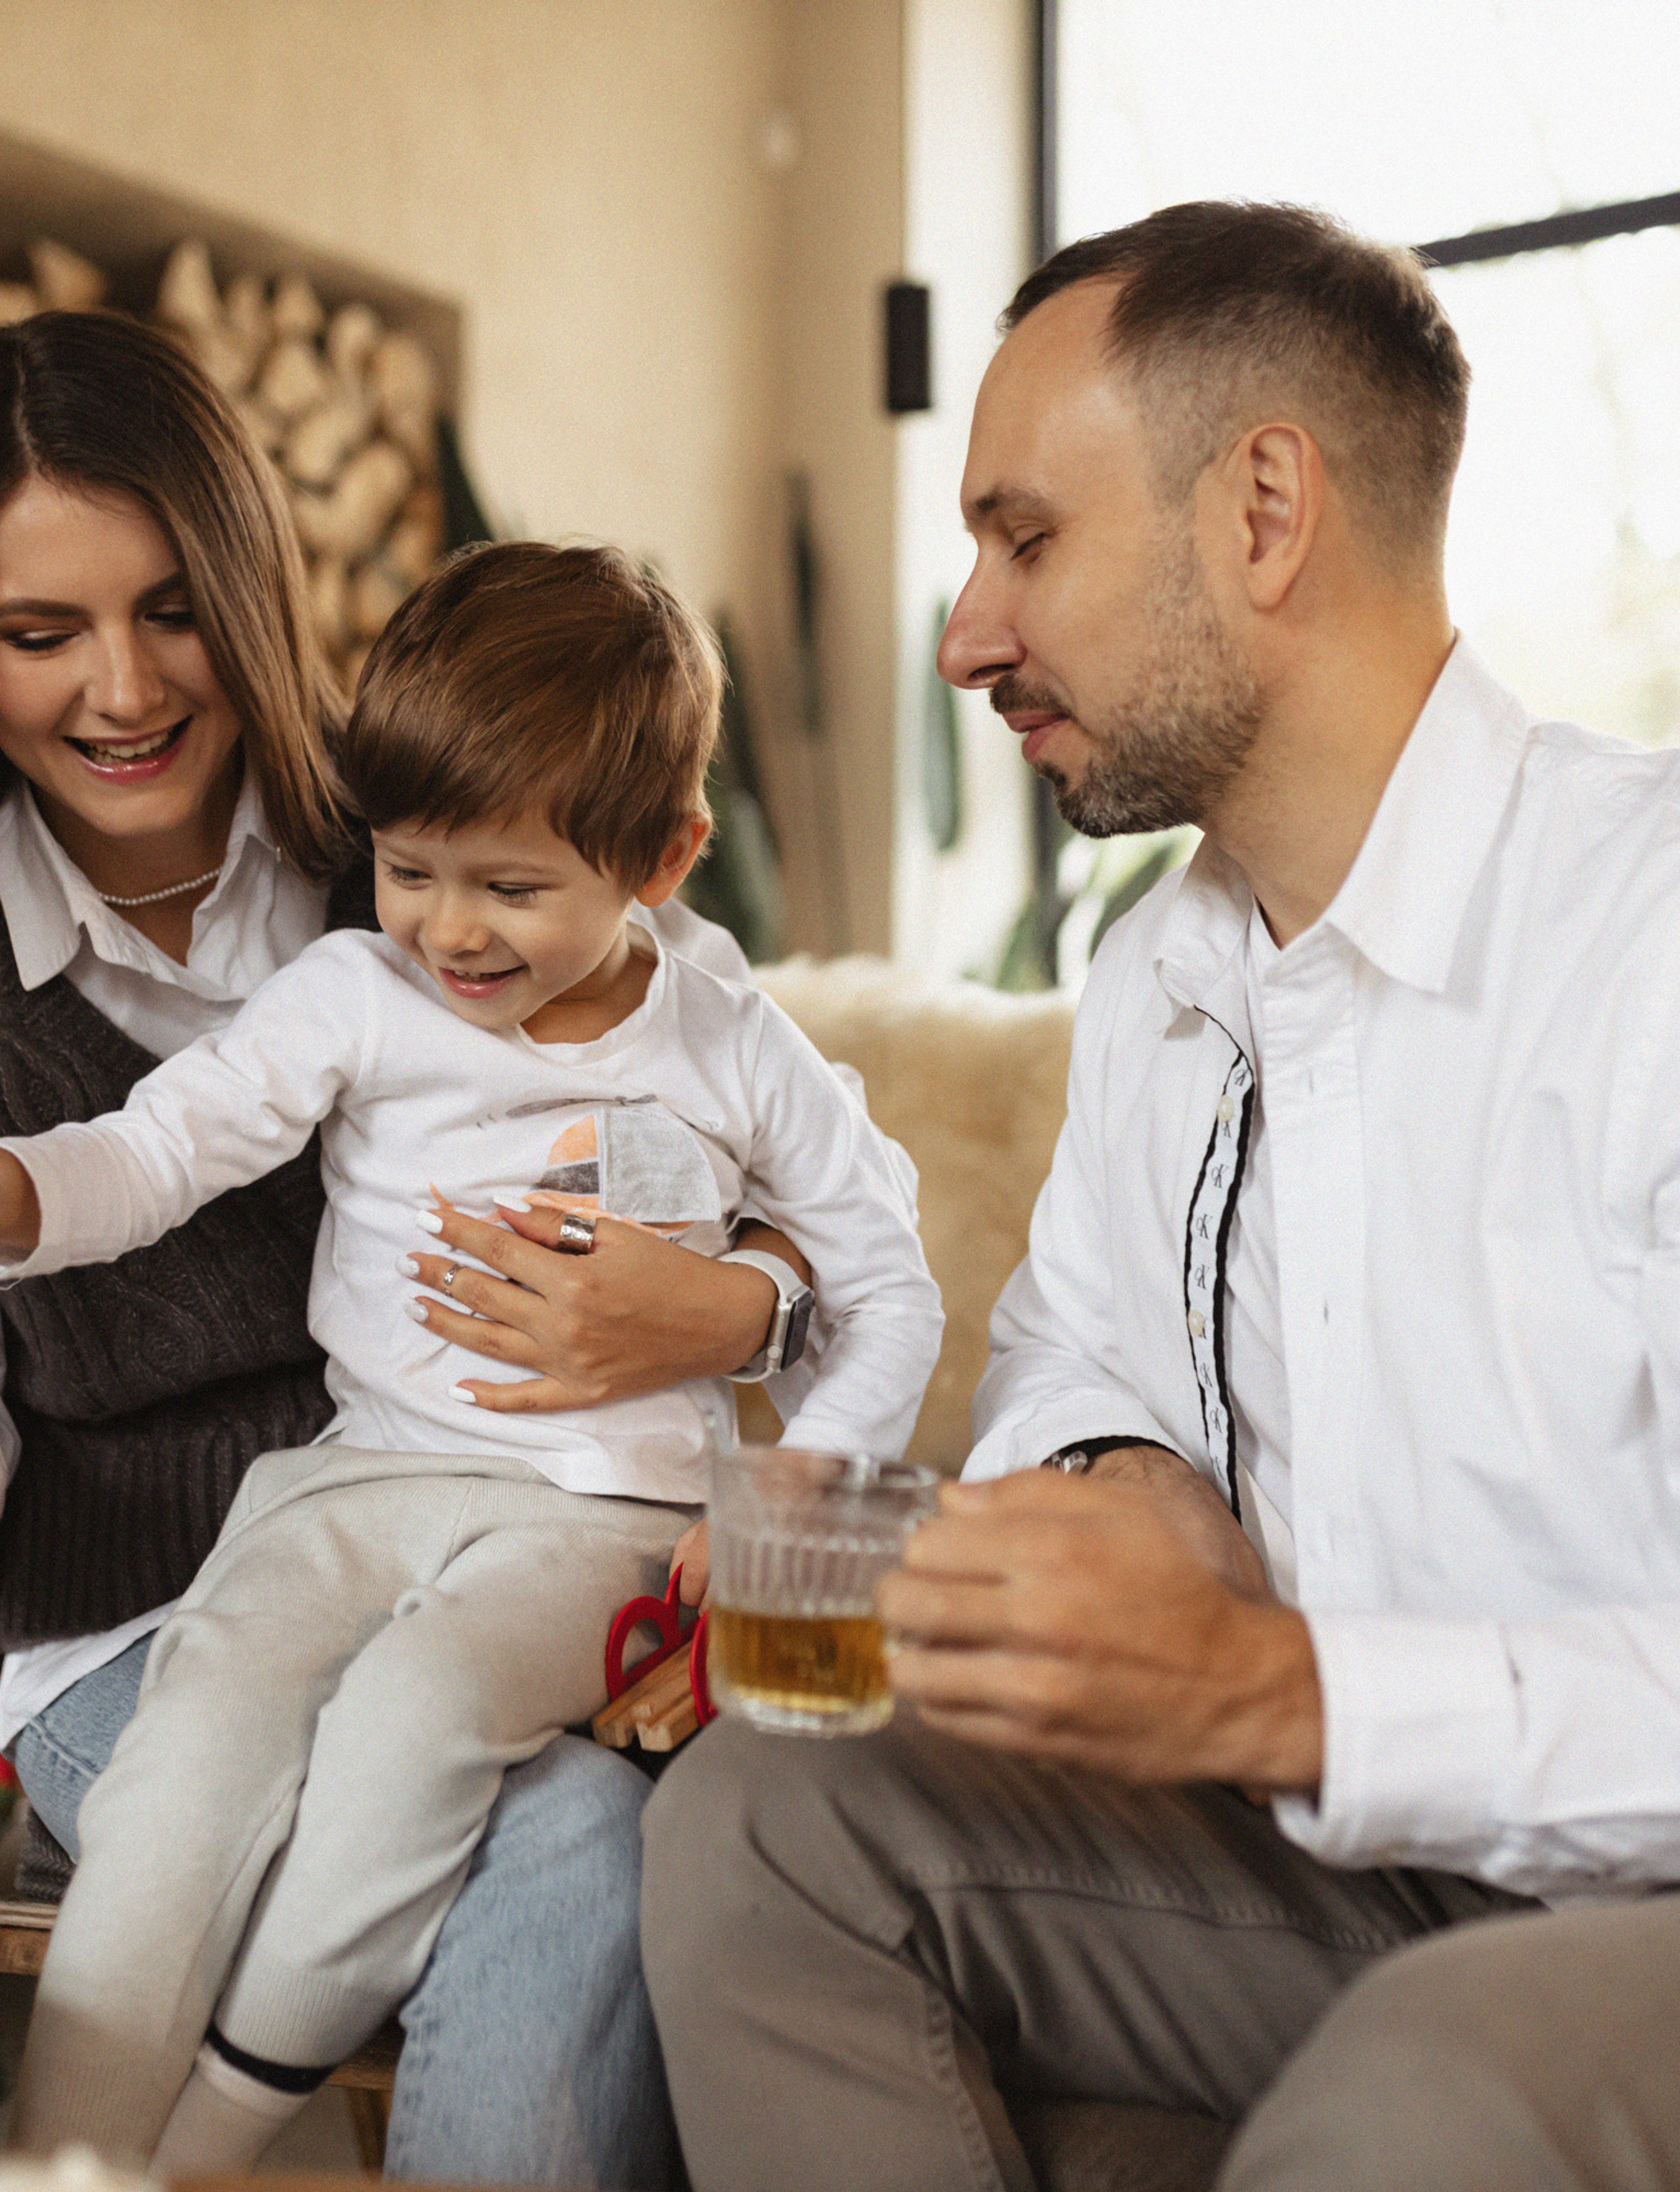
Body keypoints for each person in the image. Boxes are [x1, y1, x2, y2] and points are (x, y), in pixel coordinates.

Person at [0, 311, 815, 2189]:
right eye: (41, 634)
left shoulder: (442, 836)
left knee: (617, 1832)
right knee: (561, 1854)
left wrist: (746, 1289)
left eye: (172, 608)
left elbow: (728, 1098)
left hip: (500, 1562)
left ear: (252, 591)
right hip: (133, 1634)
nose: (122, 686)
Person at [641, 200, 1680, 2192]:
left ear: (1262, 510)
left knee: (1433, 2071)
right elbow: (1065, 1348)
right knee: (759, 1809)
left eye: (1022, 537)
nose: (962, 631)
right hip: (1335, 1866)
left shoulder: (1643, 938)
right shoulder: (1158, 983)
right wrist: (1124, 1471)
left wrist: (1276, 1685)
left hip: (1628, 1898)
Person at [0, 539, 944, 2172]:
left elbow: (891, 1284)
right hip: (360, 1478)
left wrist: (784, 1500)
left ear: (665, 857)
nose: (452, 933)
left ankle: (209, 2130)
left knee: (416, 1714)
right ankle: (58, 2159)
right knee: (195, 1735)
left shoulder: (727, 1039)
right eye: (413, 870)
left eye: (511, 889)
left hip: (598, 1521)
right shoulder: (357, 988)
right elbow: (154, 1152)